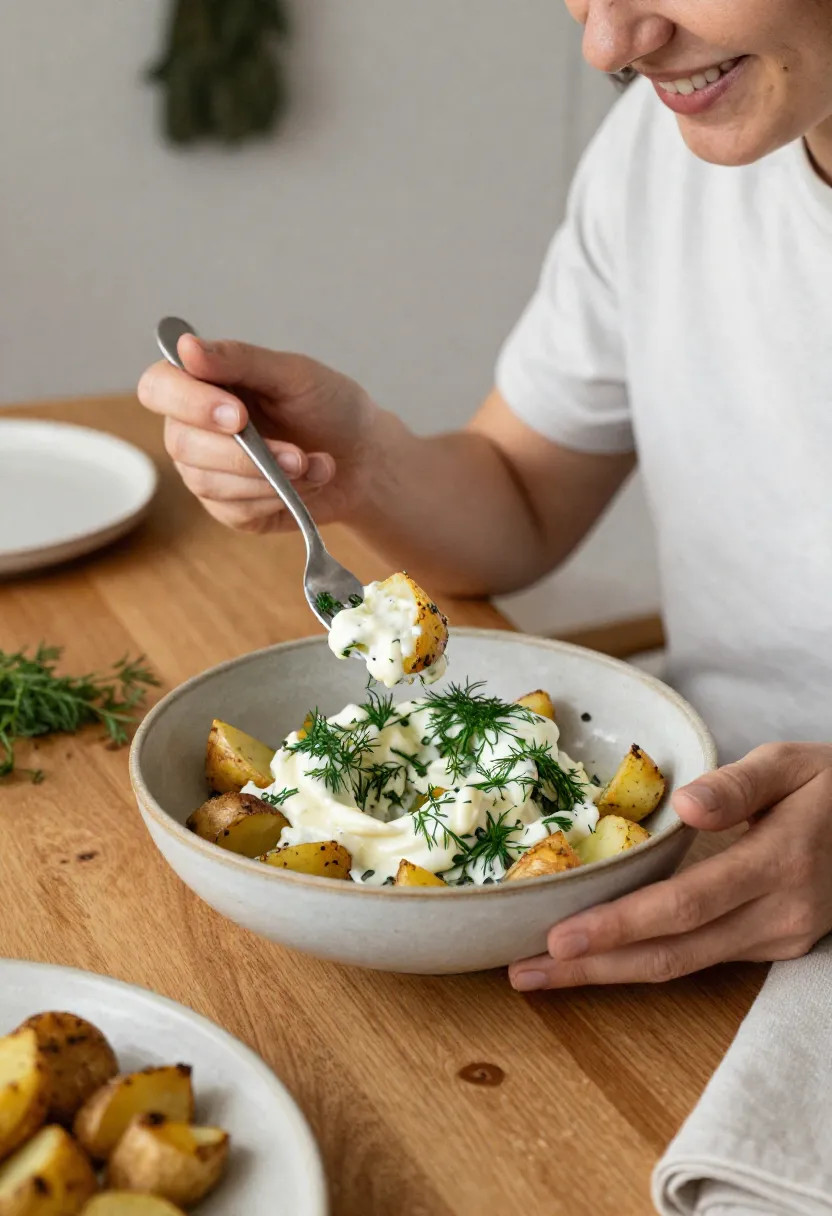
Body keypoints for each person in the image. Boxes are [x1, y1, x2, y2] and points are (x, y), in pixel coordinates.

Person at [138, 0, 832, 992]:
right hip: (676, 866)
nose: (607, 43)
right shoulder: (659, 150)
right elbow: (520, 504)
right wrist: (364, 463)